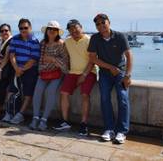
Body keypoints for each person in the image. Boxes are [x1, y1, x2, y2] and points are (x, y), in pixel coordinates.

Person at [88, 13, 133, 144]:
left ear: (109, 22)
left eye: (103, 22)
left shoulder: (119, 36)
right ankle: (109, 129)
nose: (101, 25)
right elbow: (92, 58)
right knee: (104, 98)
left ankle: (122, 131)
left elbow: (129, 56)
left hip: (120, 72)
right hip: (104, 73)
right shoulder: (95, 38)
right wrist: (109, 67)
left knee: (123, 98)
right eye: (98, 24)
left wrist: (127, 75)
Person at [54, 19, 97, 136]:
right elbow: (62, 52)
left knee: (85, 95)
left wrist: (84, 75)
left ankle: (84, 124)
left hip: (88, 72)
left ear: (81, 27)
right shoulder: (67, 41)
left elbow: (93, 60)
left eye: (75, 28)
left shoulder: (89, 40)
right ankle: (65, 122)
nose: (73, 31)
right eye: (70, 29)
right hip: (72, 72)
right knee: (63, 93)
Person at [29, 21, 69, 131]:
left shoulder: (61, 44)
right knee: (37, 91)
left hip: (56, 74)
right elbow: (39, 59)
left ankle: (44, 120)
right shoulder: (42, 43)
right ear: (46, 31)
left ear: (58, 32)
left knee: (50, 91)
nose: (51, 31)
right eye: (49, 29)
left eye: (54, 29)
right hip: (43, 73)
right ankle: (35, 117)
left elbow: (66, 63)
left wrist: (53, 60)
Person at [2, 18, 40, 124]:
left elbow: (33, 59)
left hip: (30, 69)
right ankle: (9, 112)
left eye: (25, 28)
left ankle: (20, 114)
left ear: (30, 28)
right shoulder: (15, 39)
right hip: (16, 68)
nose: (23, 30)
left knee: (28, 93)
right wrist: (16, 68)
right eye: (21, 28)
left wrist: (21, 69)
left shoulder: (34, 41)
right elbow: (12, 55)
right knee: (12, 91)